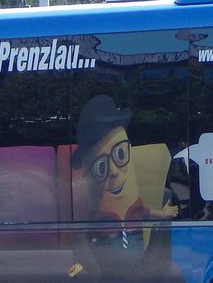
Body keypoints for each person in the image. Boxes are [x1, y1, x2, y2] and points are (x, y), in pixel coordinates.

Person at [71, 94, 178, 250]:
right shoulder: (97, 218)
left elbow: (146, 212)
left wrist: (163, 213)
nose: (113, 171)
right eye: (101, 167)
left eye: (120, 154)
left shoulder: (137, 206)